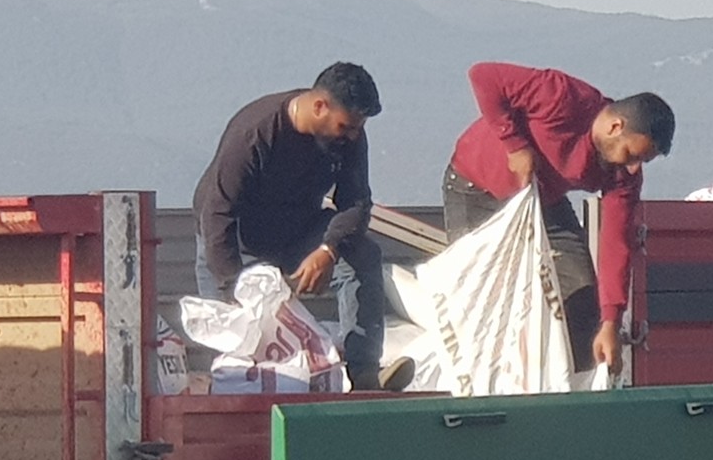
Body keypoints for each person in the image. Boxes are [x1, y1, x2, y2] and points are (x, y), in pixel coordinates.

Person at [442, 63, 675, 375]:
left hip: (545, 203)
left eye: (642, 162)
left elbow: (616, 244)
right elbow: (483, 76)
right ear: (615, 127)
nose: (634, 167)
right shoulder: (563, 98)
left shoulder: (623, 176)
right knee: (478, 298)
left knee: (580, 296)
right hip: (475, 191)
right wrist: (515, 145)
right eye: (633, 155)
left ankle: (573, 389)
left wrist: (610, 321)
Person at [193, 62, 414, 391]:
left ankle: (364, 372)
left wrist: (328, 250)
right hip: (236, 240)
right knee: (238, 340)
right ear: (319, 107)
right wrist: (233, 288)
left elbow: (356, 202)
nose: (353, 135)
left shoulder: (349, 137)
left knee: (363, 254)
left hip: (298, 229)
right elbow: (217, 214)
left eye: (358, 128)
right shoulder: (254, 133)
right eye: (346, 126)